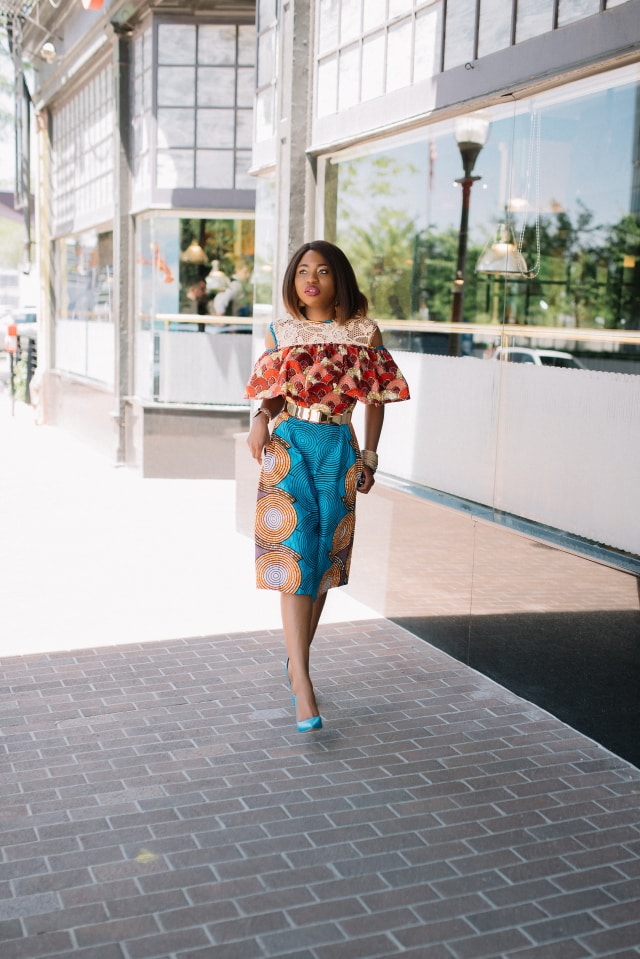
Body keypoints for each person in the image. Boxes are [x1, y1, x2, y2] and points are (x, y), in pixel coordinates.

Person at [245, 240, 410, 732]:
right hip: (290, 444)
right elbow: (273, 394)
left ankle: (296, 663)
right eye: (301, 271)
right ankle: (305, 687)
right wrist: (259, 418)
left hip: (339, 446)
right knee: (293, 556)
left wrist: (370, 457)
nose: (309, 279)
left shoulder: (363, 332)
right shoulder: (283, 331)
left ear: (339, 279)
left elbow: (376, 396)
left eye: (320, 271)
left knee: (323, 561)